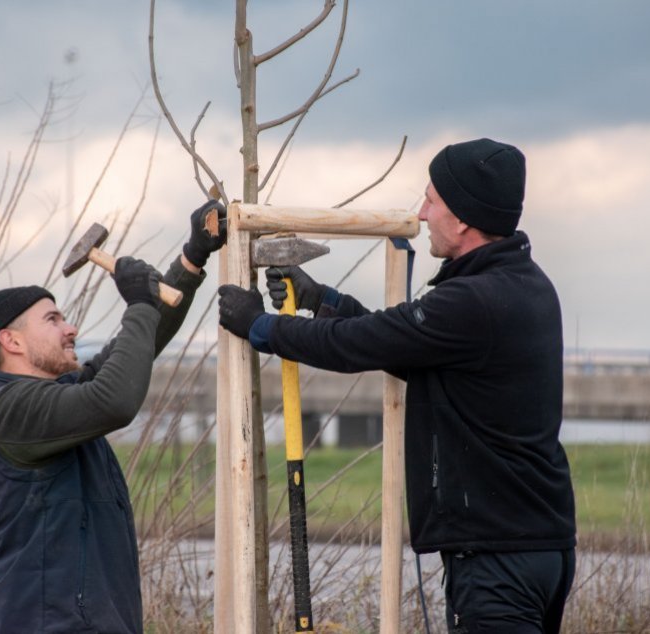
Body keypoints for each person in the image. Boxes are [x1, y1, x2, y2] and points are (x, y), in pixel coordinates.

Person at [218, 139, 577, 633]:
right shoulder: (526, 286)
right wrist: (325, 300)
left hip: (497, 558)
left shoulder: (472, 300)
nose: (422, 213)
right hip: (539, 545)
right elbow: (410, 347)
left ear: (464, 218)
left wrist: (261, 327)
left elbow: (362, 345)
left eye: (432, 200)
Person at [0, 200, 226, 634]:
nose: (71, 329)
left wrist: (191, 259)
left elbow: (135, 348)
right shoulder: (8, 412)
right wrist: (138, 303)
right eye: (52, 320)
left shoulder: (53, 398)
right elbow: (116, 400)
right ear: (11, 341)